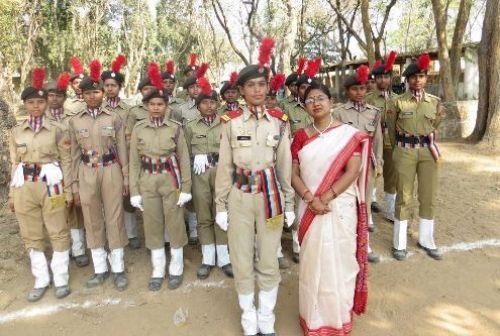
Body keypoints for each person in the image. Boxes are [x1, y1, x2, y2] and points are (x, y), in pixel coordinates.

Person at [215, 37, 295, 336]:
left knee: (269, 256)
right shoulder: (231, 121)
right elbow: (224, 166)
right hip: (240, 196)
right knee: (241, 257)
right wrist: (220, 205)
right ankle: (249, 319)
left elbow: (285, 166)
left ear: (268, 88)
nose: (258, 90)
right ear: (242, 91)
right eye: (251, 86)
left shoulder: (279, 121)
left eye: (262, 84)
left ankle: (266, 319)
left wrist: (288, 204)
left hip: (271, 196)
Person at [292, 82, 369, 335]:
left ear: (331, 101)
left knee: (340, 260)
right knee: (313, 263)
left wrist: (325, 197)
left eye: (320, 98)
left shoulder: (348, 134)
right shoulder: (301, 136)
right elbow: (292, 173)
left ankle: (338, 316)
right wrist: (309, 197)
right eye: (310, 99)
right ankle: (313, 318)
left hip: (339, 205)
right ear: (304, 106)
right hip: (310, 206)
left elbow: (353, 170)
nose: (315, 102)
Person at [9, 68, 73, 301]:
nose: (36, 106)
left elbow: (66, 161)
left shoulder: (58, 129)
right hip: (25, 185)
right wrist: (10, 195)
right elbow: (15, 163)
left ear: (47, 103)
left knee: (58, 230)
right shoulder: (17, 132)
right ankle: (41, 278)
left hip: (52, 185)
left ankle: (61, 277)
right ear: (25, 104)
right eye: (31, 102)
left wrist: (69, 190)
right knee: (30, 233)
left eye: (40, 101)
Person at [129, 63, 192, 290]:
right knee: (152, 224)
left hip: (170, 179)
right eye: (152, 104)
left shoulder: (175, 128)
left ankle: (176, 267)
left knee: (175, 222)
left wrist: (186, 187)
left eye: (160, 104)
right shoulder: (138, 128)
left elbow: (183, 158)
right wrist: (134, 191)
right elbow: (134, 161)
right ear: (146, 105)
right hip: (147, 180)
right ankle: (158, 268)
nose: (156, 108)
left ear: (167, 106)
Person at [68, 59, 129, 291]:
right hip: (86, 172)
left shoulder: (114, 117)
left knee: (114, 217)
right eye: (88, 92)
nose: (93, 96)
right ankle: (100, 269)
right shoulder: (75, 120)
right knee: (92, 219)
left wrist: (125, 177)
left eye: (97, 91)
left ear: (103, 92)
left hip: (111, 168)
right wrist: (73, 185)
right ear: (81, 94)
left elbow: (122, 148)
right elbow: (73, 156)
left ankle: (118, 268)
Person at [388, 53, 444, 261]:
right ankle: (399, 244)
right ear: (407, 80)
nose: (417, 80)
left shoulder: (435, 103)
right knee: (404, 196)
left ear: (426, 78)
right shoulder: (397, 102)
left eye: (421, 76)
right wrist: (398, 150)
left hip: (428, 152)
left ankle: (426, 240)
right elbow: (392, 131)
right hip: (404, 151)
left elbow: (435, 125)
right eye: (413, 77)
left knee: (428, 196)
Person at [332, 65, 382, 264]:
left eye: (362, 88)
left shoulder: (374, 113)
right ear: (347, 91)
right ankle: (344, 245)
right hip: (346, 168)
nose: (359, 93)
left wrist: (378, 163)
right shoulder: (339, 113)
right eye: (354, 89)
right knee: (345, 205)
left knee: (365, 204)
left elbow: (377, 140)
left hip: (366, 167)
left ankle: (364, 245)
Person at [185, 77, 233, 280]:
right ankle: (207, 259)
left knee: (221, 214)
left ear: (218, 104)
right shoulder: (190, 127)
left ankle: (224, 259)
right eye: (204, 102)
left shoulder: (226, 123)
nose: (209, 105)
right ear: (198, 106)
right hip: (200, 175)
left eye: (213, 102)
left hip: (222, 173)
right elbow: (185, 154)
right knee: (204, 216)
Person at [44, 73, 90, 267]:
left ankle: (78, 248)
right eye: (51, 95)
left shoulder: (72, 119)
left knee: (75, 211)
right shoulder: (39, 121)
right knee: (55, 209)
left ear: (65, 97)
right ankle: (61, 248)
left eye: (59, 95)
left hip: (72, 169)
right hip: (50, 174)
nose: (55, 99)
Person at [365, 51, 399, 221]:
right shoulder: (368, 99)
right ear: (376, 79)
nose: (382, 80)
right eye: (379, 78)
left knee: (391, 177)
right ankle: (370, 203)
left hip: (391, 144)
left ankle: (391, 209)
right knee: (371, 174)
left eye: (386, 77)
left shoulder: (398, 100)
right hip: (373, 145)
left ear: (390, 78)